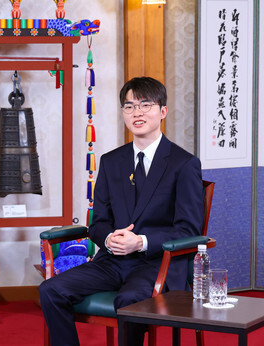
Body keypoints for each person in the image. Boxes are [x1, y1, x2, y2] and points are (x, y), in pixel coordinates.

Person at [39, 77, 203, 346]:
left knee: (129, 300)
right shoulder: (111, 161)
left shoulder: (184, 164)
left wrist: (141, 242)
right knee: (51, 289)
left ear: (163, 111)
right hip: (112, 260)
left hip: (157, 263)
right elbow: (98, 222)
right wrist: (108, 239)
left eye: (145, 105)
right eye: (129, 106)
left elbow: (189, 230)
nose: (137, 113)